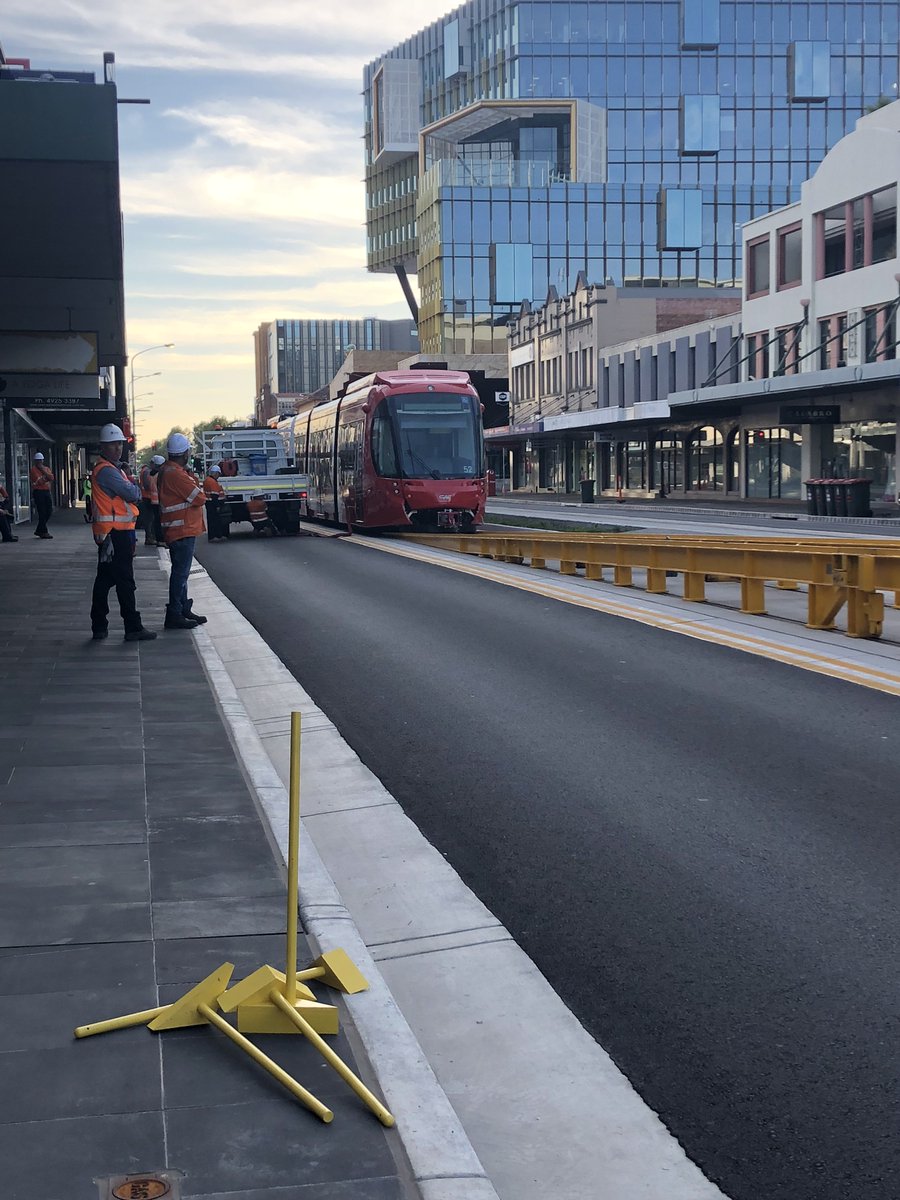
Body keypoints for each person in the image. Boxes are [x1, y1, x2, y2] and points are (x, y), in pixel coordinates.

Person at [89, 424, 157, 643]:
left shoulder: (109, 468)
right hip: (115, 534)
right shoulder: (108, 471)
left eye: (119, 444)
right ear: (103, 446)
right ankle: (132, 626)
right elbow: (131, 493)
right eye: (113, 444)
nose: (118, 448)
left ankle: (99, 624)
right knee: (124, 581)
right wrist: (132, 484)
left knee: (105, 579)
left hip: (111, 533)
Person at [157, 432, 208, 630]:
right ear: (185, 453)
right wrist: (192, 477)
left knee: (181, 573)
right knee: (180, 574)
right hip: (182, 529)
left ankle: (183, 608)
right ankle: (175, 613)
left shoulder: (168, 471)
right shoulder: (176, 474)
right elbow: (199, 497)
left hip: (177, 528)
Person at [30, 452, 54, 539]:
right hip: (38, 492)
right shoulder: (33, 470)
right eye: (38, 461)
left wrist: (43, 471)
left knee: (49, 511)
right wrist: (46, 477)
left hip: (46, 491)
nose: (40, 462)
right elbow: (39, 481)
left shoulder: (46, 468)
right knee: (42, 512)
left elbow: (51, 478)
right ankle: (44, 531)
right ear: (35, 461)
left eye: (41, 460)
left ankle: (39, 529)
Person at [203, 464, 228, 542]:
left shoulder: (208, 480)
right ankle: (214, 536)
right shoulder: (212, 482)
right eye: (218, 474)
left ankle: (216, 536)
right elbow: (214, 495)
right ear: (216, 473)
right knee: (214, 521)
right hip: (213, 504)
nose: (218, 476)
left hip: (209, 503)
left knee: (213, 520)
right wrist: (217, 506)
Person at [138, 459, 157, 546]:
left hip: (147, 497)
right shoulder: (146, 472)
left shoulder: (144, 471)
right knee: (150, 519)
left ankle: (150, 537)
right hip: (148, 497)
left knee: (149, 519)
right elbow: (147, 485)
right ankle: (150, 537)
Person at [148, 454, 165, 545]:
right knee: (159, 522)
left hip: (153, 501)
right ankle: (161, 540)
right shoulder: (159, 475)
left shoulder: (151, 474)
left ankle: (159, 539)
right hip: (159, 501)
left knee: (156, 521)